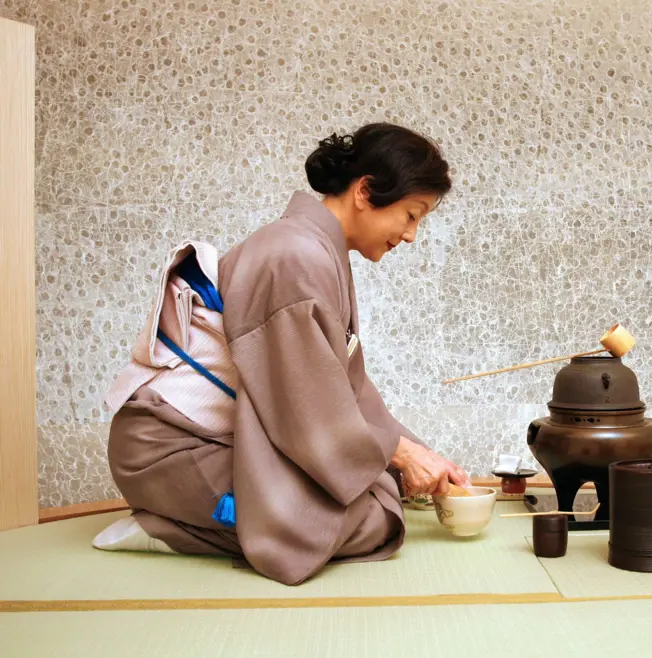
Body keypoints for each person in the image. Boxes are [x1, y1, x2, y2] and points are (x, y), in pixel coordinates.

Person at [94, 123, 471, 585]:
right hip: (170, 449)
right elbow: (308, 406)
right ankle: (168, 529)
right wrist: (402, 456)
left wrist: (420, 454)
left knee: (380, 487)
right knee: (362, 519)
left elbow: (349, 391)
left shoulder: (313, 250)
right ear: (365, 191)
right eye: (411, 215)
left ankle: (198, 522)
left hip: (213, 442)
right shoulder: (293, 255)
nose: (411, 235)